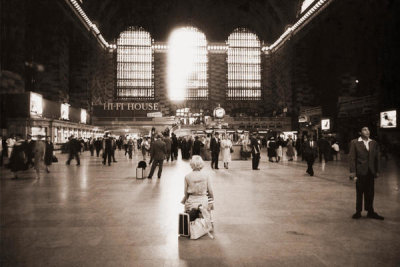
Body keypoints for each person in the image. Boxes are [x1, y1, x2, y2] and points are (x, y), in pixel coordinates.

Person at [349, 127, 383, 220]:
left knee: (370, 192)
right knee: (359, 192)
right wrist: (352, 172)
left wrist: (377, 171)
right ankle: (358, 211)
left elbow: (377, 158)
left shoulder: (373, 142)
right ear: (360, 132)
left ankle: (370, 211)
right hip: (360, 171)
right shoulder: (354, 142)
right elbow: (352, 158)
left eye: (368, 129)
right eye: (364, 130)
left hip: (370, 171)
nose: (367, 131)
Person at [181, 155, 214, 223]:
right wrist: (212, 199)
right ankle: (207, 220)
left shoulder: (187, 176)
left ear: (191, 164)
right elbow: (210, 191)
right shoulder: (206, 176)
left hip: (191, 202)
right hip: (204, 201)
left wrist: (186, 201)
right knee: (209, 207)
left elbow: (186, 193)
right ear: (201, 164)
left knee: (186, 209)